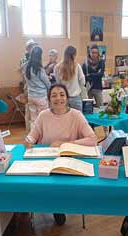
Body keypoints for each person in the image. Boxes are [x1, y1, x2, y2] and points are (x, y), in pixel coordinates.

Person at [25, 84, 97, 225]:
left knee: (61, 181)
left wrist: (66, 144)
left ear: (67, 97)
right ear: (49, 99)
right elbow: (32, 136)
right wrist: (28, 140)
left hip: (68, 159)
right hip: (46, 159)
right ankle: (54, 207)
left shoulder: (76, 115)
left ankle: (60, 207)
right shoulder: (43, 115)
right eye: (54, 95)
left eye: (62, 94)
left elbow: (92, 139)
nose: (58, 98)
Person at [23, 46, 51, 129]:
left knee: (33, 120)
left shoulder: (26, 66)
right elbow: (47, 83)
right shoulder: (38, 68)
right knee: (44, 119)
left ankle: (34, 138)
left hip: (31, 96)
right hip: (41, 97)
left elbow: (29, 79)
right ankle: (43, 139)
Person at [54, 46, 86, 112]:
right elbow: (83, 81)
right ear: (74, 55)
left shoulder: (57, 67)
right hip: (76, 97)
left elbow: (58, 84)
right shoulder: (77, 66)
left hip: (64, 98)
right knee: (77, 120)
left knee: (64, 119)